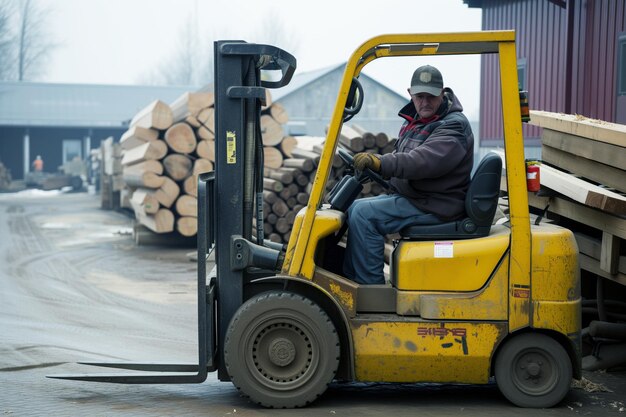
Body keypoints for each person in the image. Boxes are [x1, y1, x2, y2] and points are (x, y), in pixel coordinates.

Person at [343, 65, 474, 285]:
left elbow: (421, 161)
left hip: (437, 205)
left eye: (431, 96)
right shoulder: (415, 121)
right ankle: (350, 282)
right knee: (354, 208)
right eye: (419, 96)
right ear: (410, 94)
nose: (425, 102)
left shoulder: (453, 126)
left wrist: (379, 162)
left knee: (365, 215)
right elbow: (402, 156)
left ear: (442, 93)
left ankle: (370, 291)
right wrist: (378, 169)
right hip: (418, 197)